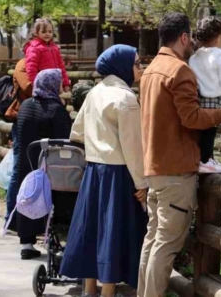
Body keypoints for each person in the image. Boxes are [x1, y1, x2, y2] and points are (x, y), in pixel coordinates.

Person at [137, 13, 221, 297]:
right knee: (166, 246)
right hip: (176, 171)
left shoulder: (150, 70)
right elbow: (191, 117)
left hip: (155, 168)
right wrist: (220, 113)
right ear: (184, 37)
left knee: (153, 241)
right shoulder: (179, 71)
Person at [60, 45, 148, 297]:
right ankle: (108, 292)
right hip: (118, 174)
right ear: (122, 67)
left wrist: (96, 143)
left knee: (92, 229)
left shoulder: (94, 92)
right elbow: (133, 147)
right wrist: (141, 183)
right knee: (112, 232)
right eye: (137, 63)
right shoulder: (126, 99)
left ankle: (90, 289)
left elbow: (76, 132)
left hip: (94, 171)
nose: (141, 68)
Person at [13, 69, 73, 259]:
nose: (62, 85)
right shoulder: (56, 109)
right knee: (58, 197)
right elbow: (66, 139)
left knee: (29, 196)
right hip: (50, 166)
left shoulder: (26, 105)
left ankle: (27, 244)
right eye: (59, 82)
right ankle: (59, 237)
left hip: (27, 163)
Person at [189, 17, 221, 174]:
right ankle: (205, 161)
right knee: (211, 131)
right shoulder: (220, 56)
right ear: (218, 37)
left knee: (203, 132)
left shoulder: (194, 57)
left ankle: (205, 158)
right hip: (215, 99)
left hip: (199, 99)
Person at [4, 56, 33, 221]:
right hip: (22, 121)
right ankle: (12, 217)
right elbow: (28, 87)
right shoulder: (23, 65)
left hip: (40, 120)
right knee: (18, 168)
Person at [24, 18, 71, 92]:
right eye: (43, 31)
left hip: (55, 84)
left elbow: (61, 66)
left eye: (50, 32)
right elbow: (31, 69)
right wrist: (36, 85)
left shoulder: (55, 48)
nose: (47, 34)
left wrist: (65, 83)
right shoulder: (34, 48)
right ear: (36, 33)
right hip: (42, 85)